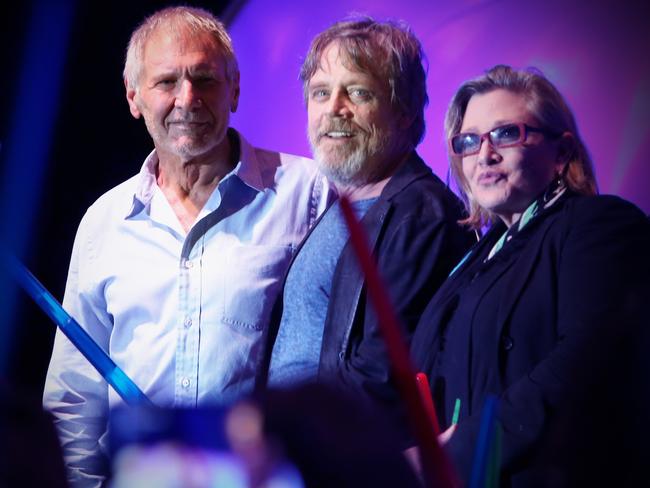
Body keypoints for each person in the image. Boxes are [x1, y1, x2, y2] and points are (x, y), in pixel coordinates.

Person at [43, 6, 333, 486]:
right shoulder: (104, 222)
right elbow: (75, 397)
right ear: (133, 97)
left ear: (235, 88)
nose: (188, 98)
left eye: (205, 79)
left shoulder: (309, 194)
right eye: (166, 82)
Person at [410, 65, 650, 486]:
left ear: (561, 153)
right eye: (469, 141)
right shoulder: (477, 257)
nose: (484, 155)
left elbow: (585, 368)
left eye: (505, 134)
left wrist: (462, 448)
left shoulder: (598, 225)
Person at [256, 18, 474, 436]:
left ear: (405, 108)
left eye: (357, 92)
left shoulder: (420, 213)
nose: (333, 109)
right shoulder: (340, 205)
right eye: (321, 93)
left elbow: (382, 375)